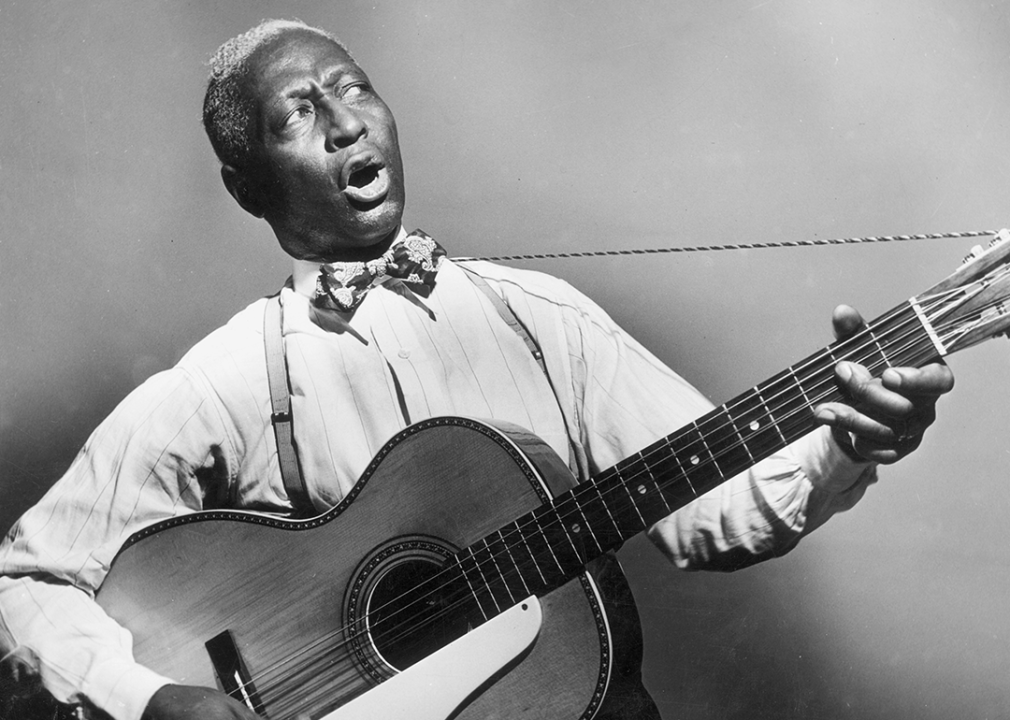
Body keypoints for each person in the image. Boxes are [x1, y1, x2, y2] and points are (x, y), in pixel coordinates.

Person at [0, 18, 954, 720]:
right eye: (300, 112)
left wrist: (846, 443)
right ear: (247, 183)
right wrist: (150, 698)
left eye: (355, 87)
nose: (346, 125)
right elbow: (26, 582)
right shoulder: (226, 383)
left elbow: (717, 515)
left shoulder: (539, 319)